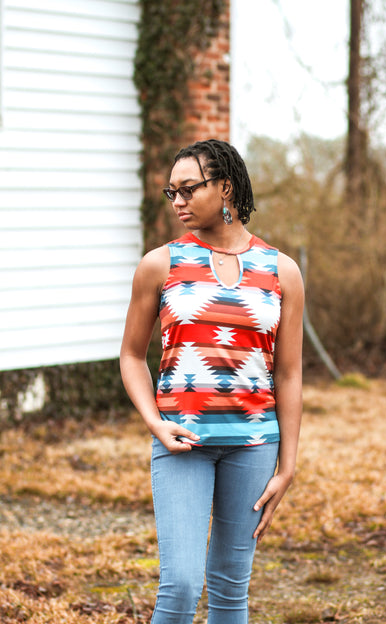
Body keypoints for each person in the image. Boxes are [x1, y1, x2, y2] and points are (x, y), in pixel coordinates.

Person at [120, 138, 304, 623]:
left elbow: (288, 372)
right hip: (181, 443)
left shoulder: (281, 271)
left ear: (225, 188)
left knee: (229, 589)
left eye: (188, 189)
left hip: (254, 446)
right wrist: (155, 424)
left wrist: (287, 465)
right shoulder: (160, 264)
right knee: (180, 586)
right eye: (171, 192)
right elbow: (131, 356)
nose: (177, 201)